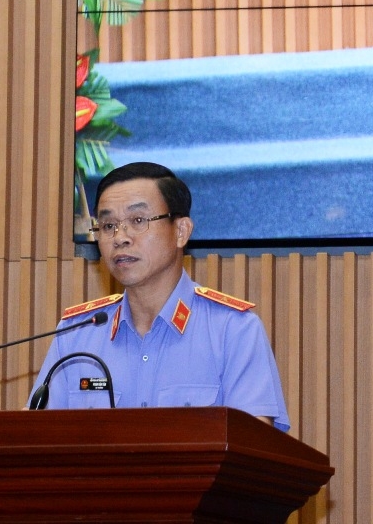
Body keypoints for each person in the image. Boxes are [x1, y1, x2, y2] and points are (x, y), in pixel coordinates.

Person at [28, 162, 290, 431]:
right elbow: (38, 440)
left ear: (181, 232)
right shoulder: (76, 335)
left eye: (138, 221)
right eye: (108, 225)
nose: (120, 238)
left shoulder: (233, 330)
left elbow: (251, 445)